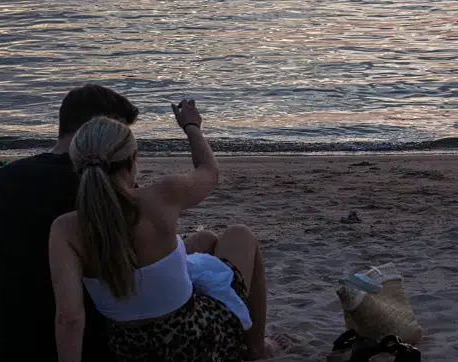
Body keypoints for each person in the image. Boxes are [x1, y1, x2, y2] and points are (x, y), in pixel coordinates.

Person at [48, 100, 285, 362]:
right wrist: (191, 126)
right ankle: (256, 349)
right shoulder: (161, 196)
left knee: (205, 240)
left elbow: (69, 318)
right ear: (132, 161)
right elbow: (208, 171)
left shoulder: (66, 229)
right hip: (195, 341)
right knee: (240, 235)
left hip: (130, 351)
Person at [0, 84, 140, 362]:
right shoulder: (120, 193)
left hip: (9, 344)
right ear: (100, 131)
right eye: (122, 136)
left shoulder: (3, 181)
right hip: (98, 346)